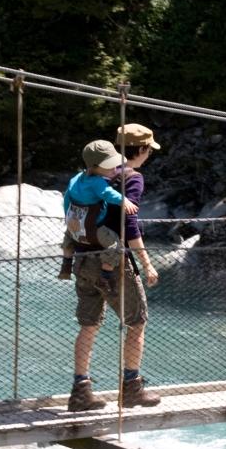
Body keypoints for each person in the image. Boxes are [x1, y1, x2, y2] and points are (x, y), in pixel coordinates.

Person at [67, 123, 163, 412]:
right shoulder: (132, 178)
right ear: (143, 150)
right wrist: (147, 264)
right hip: (113, 261)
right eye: (149, 150)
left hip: (82, 258)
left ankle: (80, 391)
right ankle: (131, 388)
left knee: (89, 325)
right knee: (136, 322)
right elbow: (129, 224)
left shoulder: (91, 175)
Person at [60, 139, 140, 296]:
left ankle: (66, 265)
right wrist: (124, 200)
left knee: (68, 239)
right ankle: (106, 276)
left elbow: (66, 200)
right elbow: (108, 194)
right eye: (109, 165)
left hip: (75, 225)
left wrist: (69, 220)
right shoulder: (97, 183)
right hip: (95, 228)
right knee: (116, 247)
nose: (114, 168)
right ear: (95, 166)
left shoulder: (75, 179)